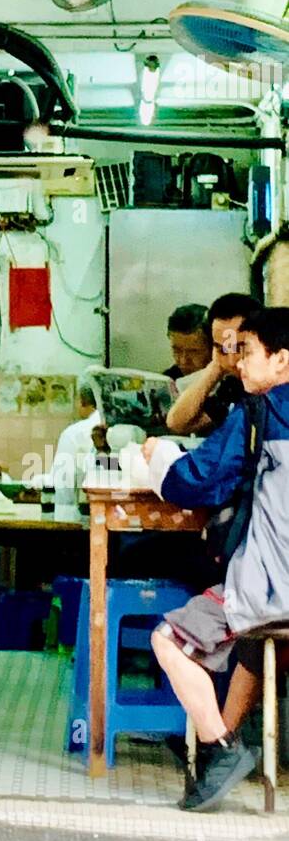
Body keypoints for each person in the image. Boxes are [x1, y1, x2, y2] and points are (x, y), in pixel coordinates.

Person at [144, 306, 289, 812]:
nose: (238, 364)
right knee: (257, 643)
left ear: (282, 360)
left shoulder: (259, 413)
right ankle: (226, 744)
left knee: (167, 639)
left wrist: (156, 460)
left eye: (246, 352)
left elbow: (195, 480)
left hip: (273, 589)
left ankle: (220, 746)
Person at [166, 293, 262, 435]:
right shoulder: (234, 385)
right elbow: (177, 424)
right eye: (222, 349)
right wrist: (216, 366)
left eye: (239, 348)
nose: (231, 361)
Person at [49, 381, 101, 508]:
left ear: (82, 401)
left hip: (80, 513)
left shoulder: (73, 434)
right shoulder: (130, 431)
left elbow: (62, 482)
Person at [163, 304, 211, 380]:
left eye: (193, 352)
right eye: (177, 350)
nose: (183, 361)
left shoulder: (232, 384)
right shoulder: (168, 380)